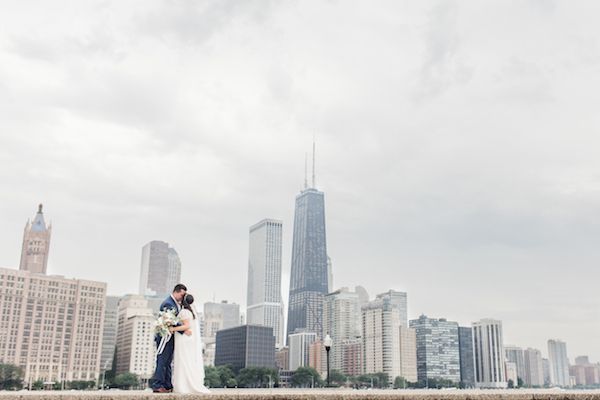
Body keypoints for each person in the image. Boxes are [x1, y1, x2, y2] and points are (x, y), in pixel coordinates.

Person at [170, 293, 210, 394]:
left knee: (183, 361)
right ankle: (186, 385)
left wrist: (173, 328)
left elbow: (186, 326)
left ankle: (183, 386)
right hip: (188, 340)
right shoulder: (191, 312)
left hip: (183, 340)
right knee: (187, 361)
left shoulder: (184, 312)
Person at [151, 283, 187, 393]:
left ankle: (167, 384)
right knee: (162, 360)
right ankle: (158, 385)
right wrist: (184, 328)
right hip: (164, 337)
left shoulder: (176, 304)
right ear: (176, 292)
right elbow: (171, 321)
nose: (183, 298)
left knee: (167, 362)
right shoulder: (168, 303)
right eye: (182, 295)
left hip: (170, 337)